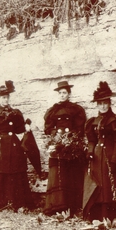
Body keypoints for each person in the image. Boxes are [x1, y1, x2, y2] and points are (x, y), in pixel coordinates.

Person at [83, 81, 116, 227]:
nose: (103, 106)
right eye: (100, 103)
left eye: (105, 102)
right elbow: (92, 141)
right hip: (98, 159)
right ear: (97, 105)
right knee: (101, 187)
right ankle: (101, 219)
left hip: (113, 157)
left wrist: (114, 160)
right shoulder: (93, 122)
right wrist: (90, 152)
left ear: (110, 103)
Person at [0, 80, 33, 211]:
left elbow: (18, 129)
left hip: (13, 145)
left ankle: (16, 202)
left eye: (7, 98)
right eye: (3, 98)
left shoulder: (15, 112)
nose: (6, 100)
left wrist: (26, 127)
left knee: (14, 169)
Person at [43, 80, 87, 216]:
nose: (62, 95)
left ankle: (71, 205)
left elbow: (80, 128)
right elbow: (48, 128)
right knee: (58, 172)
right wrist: (55, 136)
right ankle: (57, 204)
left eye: (65, 93)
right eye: (60, 93)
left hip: (71, 143)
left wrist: (72, 138)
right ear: (58, 94)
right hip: (57, 142)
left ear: (69, 94)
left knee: (70, 172)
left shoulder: (76, 109)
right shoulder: (53, 110)